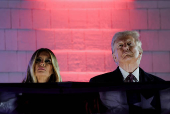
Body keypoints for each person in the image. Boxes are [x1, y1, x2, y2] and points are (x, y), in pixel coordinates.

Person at [89, 31, 164, 114]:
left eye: (129, 44)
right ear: (114, 57)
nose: (125, 48)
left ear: (140, 53)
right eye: (120, 45)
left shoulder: (160, 85)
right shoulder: (97, 84)